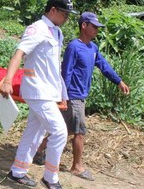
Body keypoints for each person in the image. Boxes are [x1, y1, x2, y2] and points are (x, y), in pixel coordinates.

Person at [33, 12, 130, 181]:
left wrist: (119, 81)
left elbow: (104, 66)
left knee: (65, 130)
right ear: (84, 26)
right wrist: (63, 95)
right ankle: (77, 167)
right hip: (73, 96)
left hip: (80, 97)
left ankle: (39, 150)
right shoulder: (74, 47)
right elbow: (66, 72)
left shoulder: (93, 48)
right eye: (94, 27)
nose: (97, 31)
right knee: (79, 132)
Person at [0, 0, 77, 189]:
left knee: (34, 132)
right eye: (65, 14)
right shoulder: (37, 29)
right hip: (37, 90)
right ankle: (51, 177)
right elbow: (19, 53)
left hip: (49, 92)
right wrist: (8, 80)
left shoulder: (56, 32)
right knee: (59, 131)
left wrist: (63, 95)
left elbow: (54, 68)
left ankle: (18, 172)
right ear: (53, 10)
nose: (67, 18)